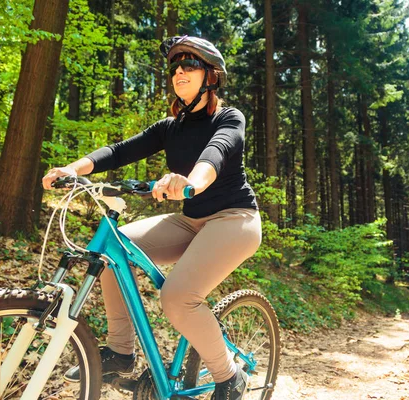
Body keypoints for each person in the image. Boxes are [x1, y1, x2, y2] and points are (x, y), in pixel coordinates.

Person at [42, 35, 261, 400]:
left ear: (211, 76)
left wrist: (189, 181)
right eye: (176, 66)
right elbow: (117, 151)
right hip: (191, 220)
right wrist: (72, 167)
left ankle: (230, 375)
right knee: (114, 251)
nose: (179, 71)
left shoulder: (229, 117)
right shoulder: (169, 126)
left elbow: (215, 154)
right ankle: (120, 352)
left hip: (234, 219)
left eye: (190, 64)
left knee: (177, 298)